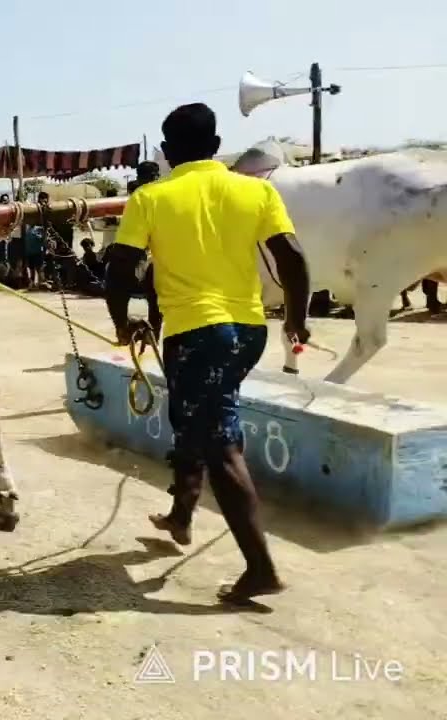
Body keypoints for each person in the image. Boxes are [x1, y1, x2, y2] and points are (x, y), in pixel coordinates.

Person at [104, 103, 310, 605]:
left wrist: (122, 322)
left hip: (197, 334)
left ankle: (260, 569)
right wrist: (297, 319)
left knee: (219, 444)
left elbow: (120, 269)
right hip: (247, 331)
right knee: (196, 419)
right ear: (217, 148)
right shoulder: (257, 190)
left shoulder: (150, 198)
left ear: (168, 153)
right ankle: (181, 514)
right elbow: (293, 258)